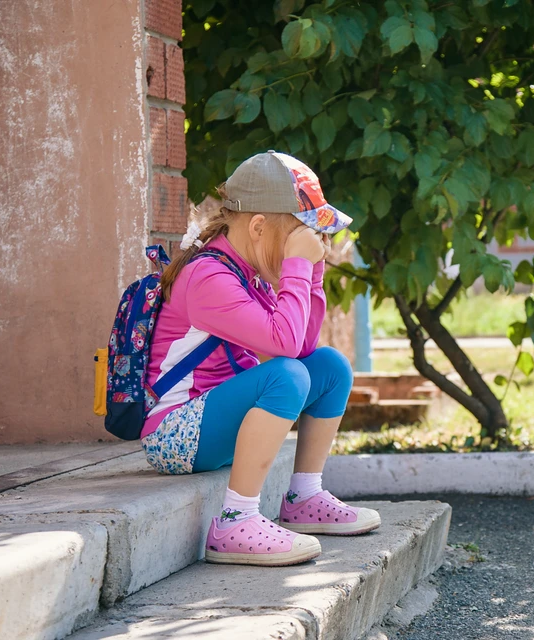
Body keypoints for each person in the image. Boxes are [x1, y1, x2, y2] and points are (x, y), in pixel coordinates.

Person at [141, 151, 379, 567]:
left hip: (218, 420)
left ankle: (304, 495)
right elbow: (285, 351)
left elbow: (302, 345)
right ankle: (235, 522)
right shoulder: (208, 277)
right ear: (258, 227)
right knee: (285, 377)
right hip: (174, 435)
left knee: (330, 367)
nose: (306, 247)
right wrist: (298, 265)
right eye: (297, 236)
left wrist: (313, 272)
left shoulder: (249, 271)